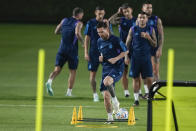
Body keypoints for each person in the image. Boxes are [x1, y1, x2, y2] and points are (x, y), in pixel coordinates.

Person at [45, 7, 84, 96]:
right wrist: (83, 43)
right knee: (73, 71)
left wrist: (64, 32)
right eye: (82, 14)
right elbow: (77, 33)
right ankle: (69, 92)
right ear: (79, 14)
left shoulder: (64, 20)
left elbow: (56, 31)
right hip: (72, 51)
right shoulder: (79, 23)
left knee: (57, 69)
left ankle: (49, 82)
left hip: (62, 49)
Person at [97, 21, 128, 122]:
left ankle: (115, 101)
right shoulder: (99, 41)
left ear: (107, 29)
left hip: (117, 67)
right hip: (106, 68)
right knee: (106, 96)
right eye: (98, 33)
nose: (100, 34)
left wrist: (116, 58)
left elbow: (126, 51)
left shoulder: (115, 40)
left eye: (102, 32)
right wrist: (101, 58)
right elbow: (102, 52)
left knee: (107, 82)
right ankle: (110, 118)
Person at [125, 12, 157, 106]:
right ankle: (136, 100)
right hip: (135, 58)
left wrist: (148, 38)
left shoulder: (150, 29)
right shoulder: (133, 29)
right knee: (135, 79)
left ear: (147, 19)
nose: (142, 19)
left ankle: (150, 97)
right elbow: (127, 44)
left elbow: (155, 44)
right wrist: (126, 56)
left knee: (150, 79)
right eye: (140, 17)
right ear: (137, 19)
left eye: (143, 17)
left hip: (146, 58)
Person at [84, 6, 112, 102]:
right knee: (92, 75)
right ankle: (95, 94)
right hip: (93, 53)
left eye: (102, 13)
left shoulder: (106, 23)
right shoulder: (90, 23)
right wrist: (86, 52)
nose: (101, 15)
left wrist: (107, 25)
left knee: (108, 74)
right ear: (95, 13)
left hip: (105, 52)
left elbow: (110, 36)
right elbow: (87, 38)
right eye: (99, 13)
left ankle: (108, 94)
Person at [109, 3, 136, 97]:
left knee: (136, 70)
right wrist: (117, 13)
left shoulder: (136, 21)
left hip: (134, 48)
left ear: (131, 10)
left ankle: (138, 91)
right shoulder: (121, 20)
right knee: (124, 70)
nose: (126, 13)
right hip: (122, 48)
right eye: (124, 12)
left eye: (128, 11)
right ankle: (126, 91)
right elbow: (109, 21)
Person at [142, 1, 164, 82]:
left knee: (155, 71)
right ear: (143, 8)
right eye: (147, 8)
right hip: (143, 49)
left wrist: (160, 48)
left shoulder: (156, 20)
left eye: (150, 8)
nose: (149, 10)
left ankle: (157, 90)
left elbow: (161, 35)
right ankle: (147, 92)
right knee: (144, 72)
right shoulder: (139, 19)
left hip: (154, 48)